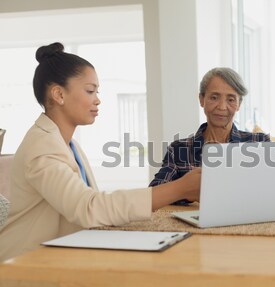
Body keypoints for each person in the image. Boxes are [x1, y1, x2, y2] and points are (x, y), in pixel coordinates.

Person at [0, 42, 201, 262]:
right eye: (89, 90)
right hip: (24, 265)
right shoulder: (41, 148)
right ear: (58, 94)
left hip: (57, 256)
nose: (97, 99)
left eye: (97, 91)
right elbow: (88, 208)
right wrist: (179, 188)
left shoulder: (67, 144)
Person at [149, 67, 270, 203]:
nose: (222, 107)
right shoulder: (178, 150)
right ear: (202, 99)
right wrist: (186, 192)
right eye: (214, 97)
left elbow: (274, 189)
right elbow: (155, 192)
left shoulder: (259, 142)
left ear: (238, 104)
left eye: (231, 99)